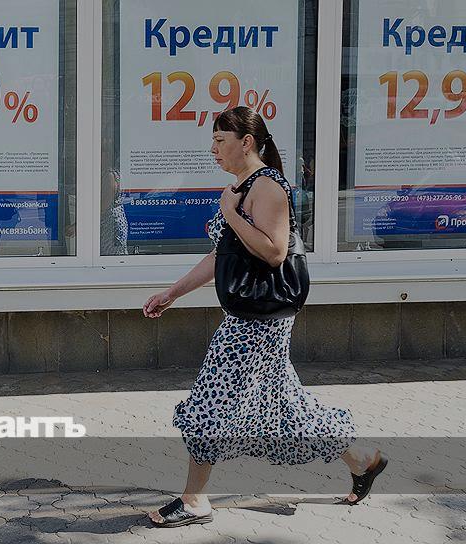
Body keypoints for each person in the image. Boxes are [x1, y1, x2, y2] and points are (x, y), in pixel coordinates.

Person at [143, 106, 388, 528]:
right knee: (287, 406)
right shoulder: (239, 187)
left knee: (210, 401)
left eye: (220, 140)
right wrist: (173, 293)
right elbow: (222, 255)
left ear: (247, 143)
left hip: (258, 321)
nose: (213, 148)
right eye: (213, 140)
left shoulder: (268, 187)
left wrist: (231, 213)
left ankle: (194, 499)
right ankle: (363, 459)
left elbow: (274, 251)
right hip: (250, 315)